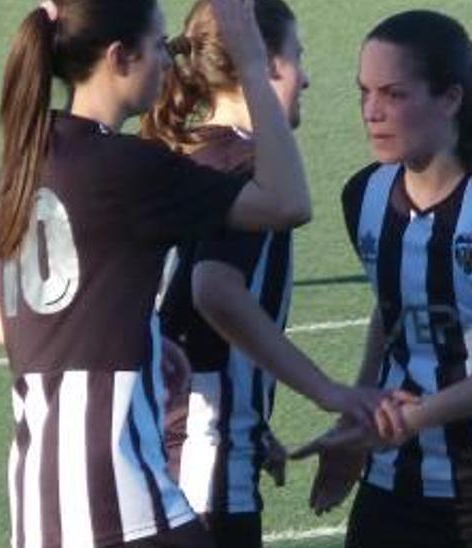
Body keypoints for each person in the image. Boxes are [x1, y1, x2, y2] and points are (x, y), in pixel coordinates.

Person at [0, 0, 307, 545]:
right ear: (119, 57)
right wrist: (251, 66)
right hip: (117, 498)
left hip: (40, 506)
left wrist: (144, 337)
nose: (169, 64)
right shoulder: (127, 166)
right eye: (157, 48)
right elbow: (287, 201)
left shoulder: (23, 162)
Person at [294, 10, 472, 548]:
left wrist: (416, 417)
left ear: (451, 99)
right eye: (365, 93)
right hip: (397, 484)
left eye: (394, 94)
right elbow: (394, 308)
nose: (372, 112)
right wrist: (360, 420)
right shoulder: (365, 197)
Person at [139, 1, 381, 546]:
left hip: (167, 440)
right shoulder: (248, 171)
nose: (308, 77)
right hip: (205, 456)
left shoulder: (185, 153)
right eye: (298, 57)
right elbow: (213, 291)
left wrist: (253, 417)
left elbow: (176, 308)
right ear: (266, 64)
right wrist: (327, 391)